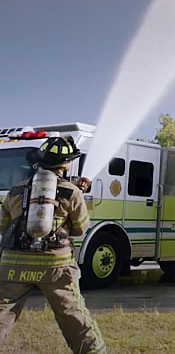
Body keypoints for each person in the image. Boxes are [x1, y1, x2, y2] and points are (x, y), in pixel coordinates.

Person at [0, 136, 105, 353]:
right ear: (65, 164)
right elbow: (79, 229)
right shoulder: (71, 192)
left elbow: (3, 225)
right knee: (73, 315)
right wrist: (75, 196)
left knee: (1, 312)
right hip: (55, 266)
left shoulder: (16, 190)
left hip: (13, 265)